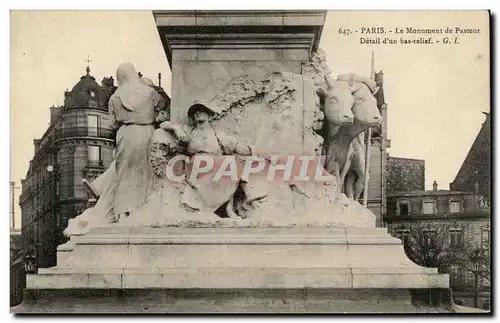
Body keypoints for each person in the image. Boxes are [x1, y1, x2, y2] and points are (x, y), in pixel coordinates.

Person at [108, 63, 162, 221]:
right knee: (146, 171)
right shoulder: (150, 92)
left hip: (126, 134)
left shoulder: (115, 97)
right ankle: (143, 209)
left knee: (124, 173)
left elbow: (112, 124)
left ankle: (122, 212)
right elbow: (163, 108)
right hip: (148, 132)